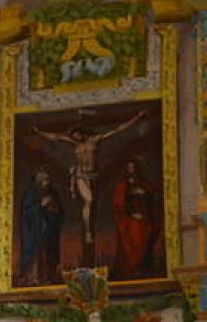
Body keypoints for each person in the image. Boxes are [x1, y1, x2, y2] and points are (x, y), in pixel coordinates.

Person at [33, 109, 147, 260]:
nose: (76, 138)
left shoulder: (95, 139)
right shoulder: (74, 142)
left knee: (93, 204)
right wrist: (39, 132)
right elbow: (55, 137)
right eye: (74, 136)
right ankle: (88, 232)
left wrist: (136, 117)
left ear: (83, 133)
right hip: (81, 176)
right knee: (89, 201)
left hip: (94, 176)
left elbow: (117, 130)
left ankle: (89, 231)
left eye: (77, 135)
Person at [111, 156, 159, 279]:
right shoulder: (123, 186)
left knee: (145, 241)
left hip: (144, 220)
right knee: (134, 240)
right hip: (130, 221)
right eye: (129, 168)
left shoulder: (144, 185)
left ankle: (143, 267)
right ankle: (133, 268)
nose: (132, 170)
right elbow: (119, 205)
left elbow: (151, 200)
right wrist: (132, 214)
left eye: (133, 168)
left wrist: (144, 195)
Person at [18, 168, 65, 286]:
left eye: (48, 180)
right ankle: (33, 278)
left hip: (48, 232)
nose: (47, 183)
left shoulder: (53, 194)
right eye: (44, 180)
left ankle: (48, 277)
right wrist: (41, 205)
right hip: (34, 233)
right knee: (35, 255)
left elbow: (59, 213)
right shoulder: (31, 194)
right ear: (39, 181)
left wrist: (52, 209)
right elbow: (26, 213)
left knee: (48, 255)